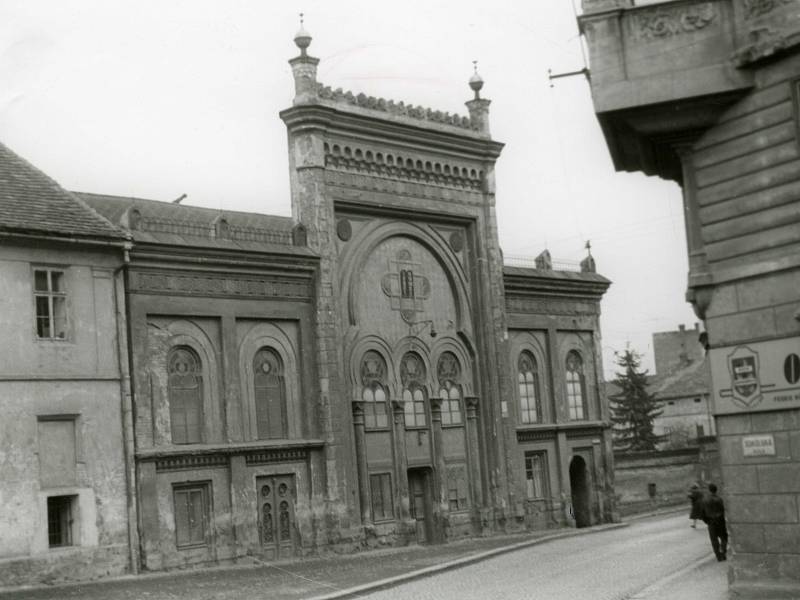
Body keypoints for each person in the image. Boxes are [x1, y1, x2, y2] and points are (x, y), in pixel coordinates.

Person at [702, 483, 728, 561]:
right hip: (720, 521)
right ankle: (723, 552)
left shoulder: (705, 500)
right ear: (716, 490)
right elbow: (724, 510)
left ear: (709, 490)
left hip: (711, 522)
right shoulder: (719, 499)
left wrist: (707, 521)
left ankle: (718, 556)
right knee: (724, 538)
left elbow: (702, 513)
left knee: (714, 540)